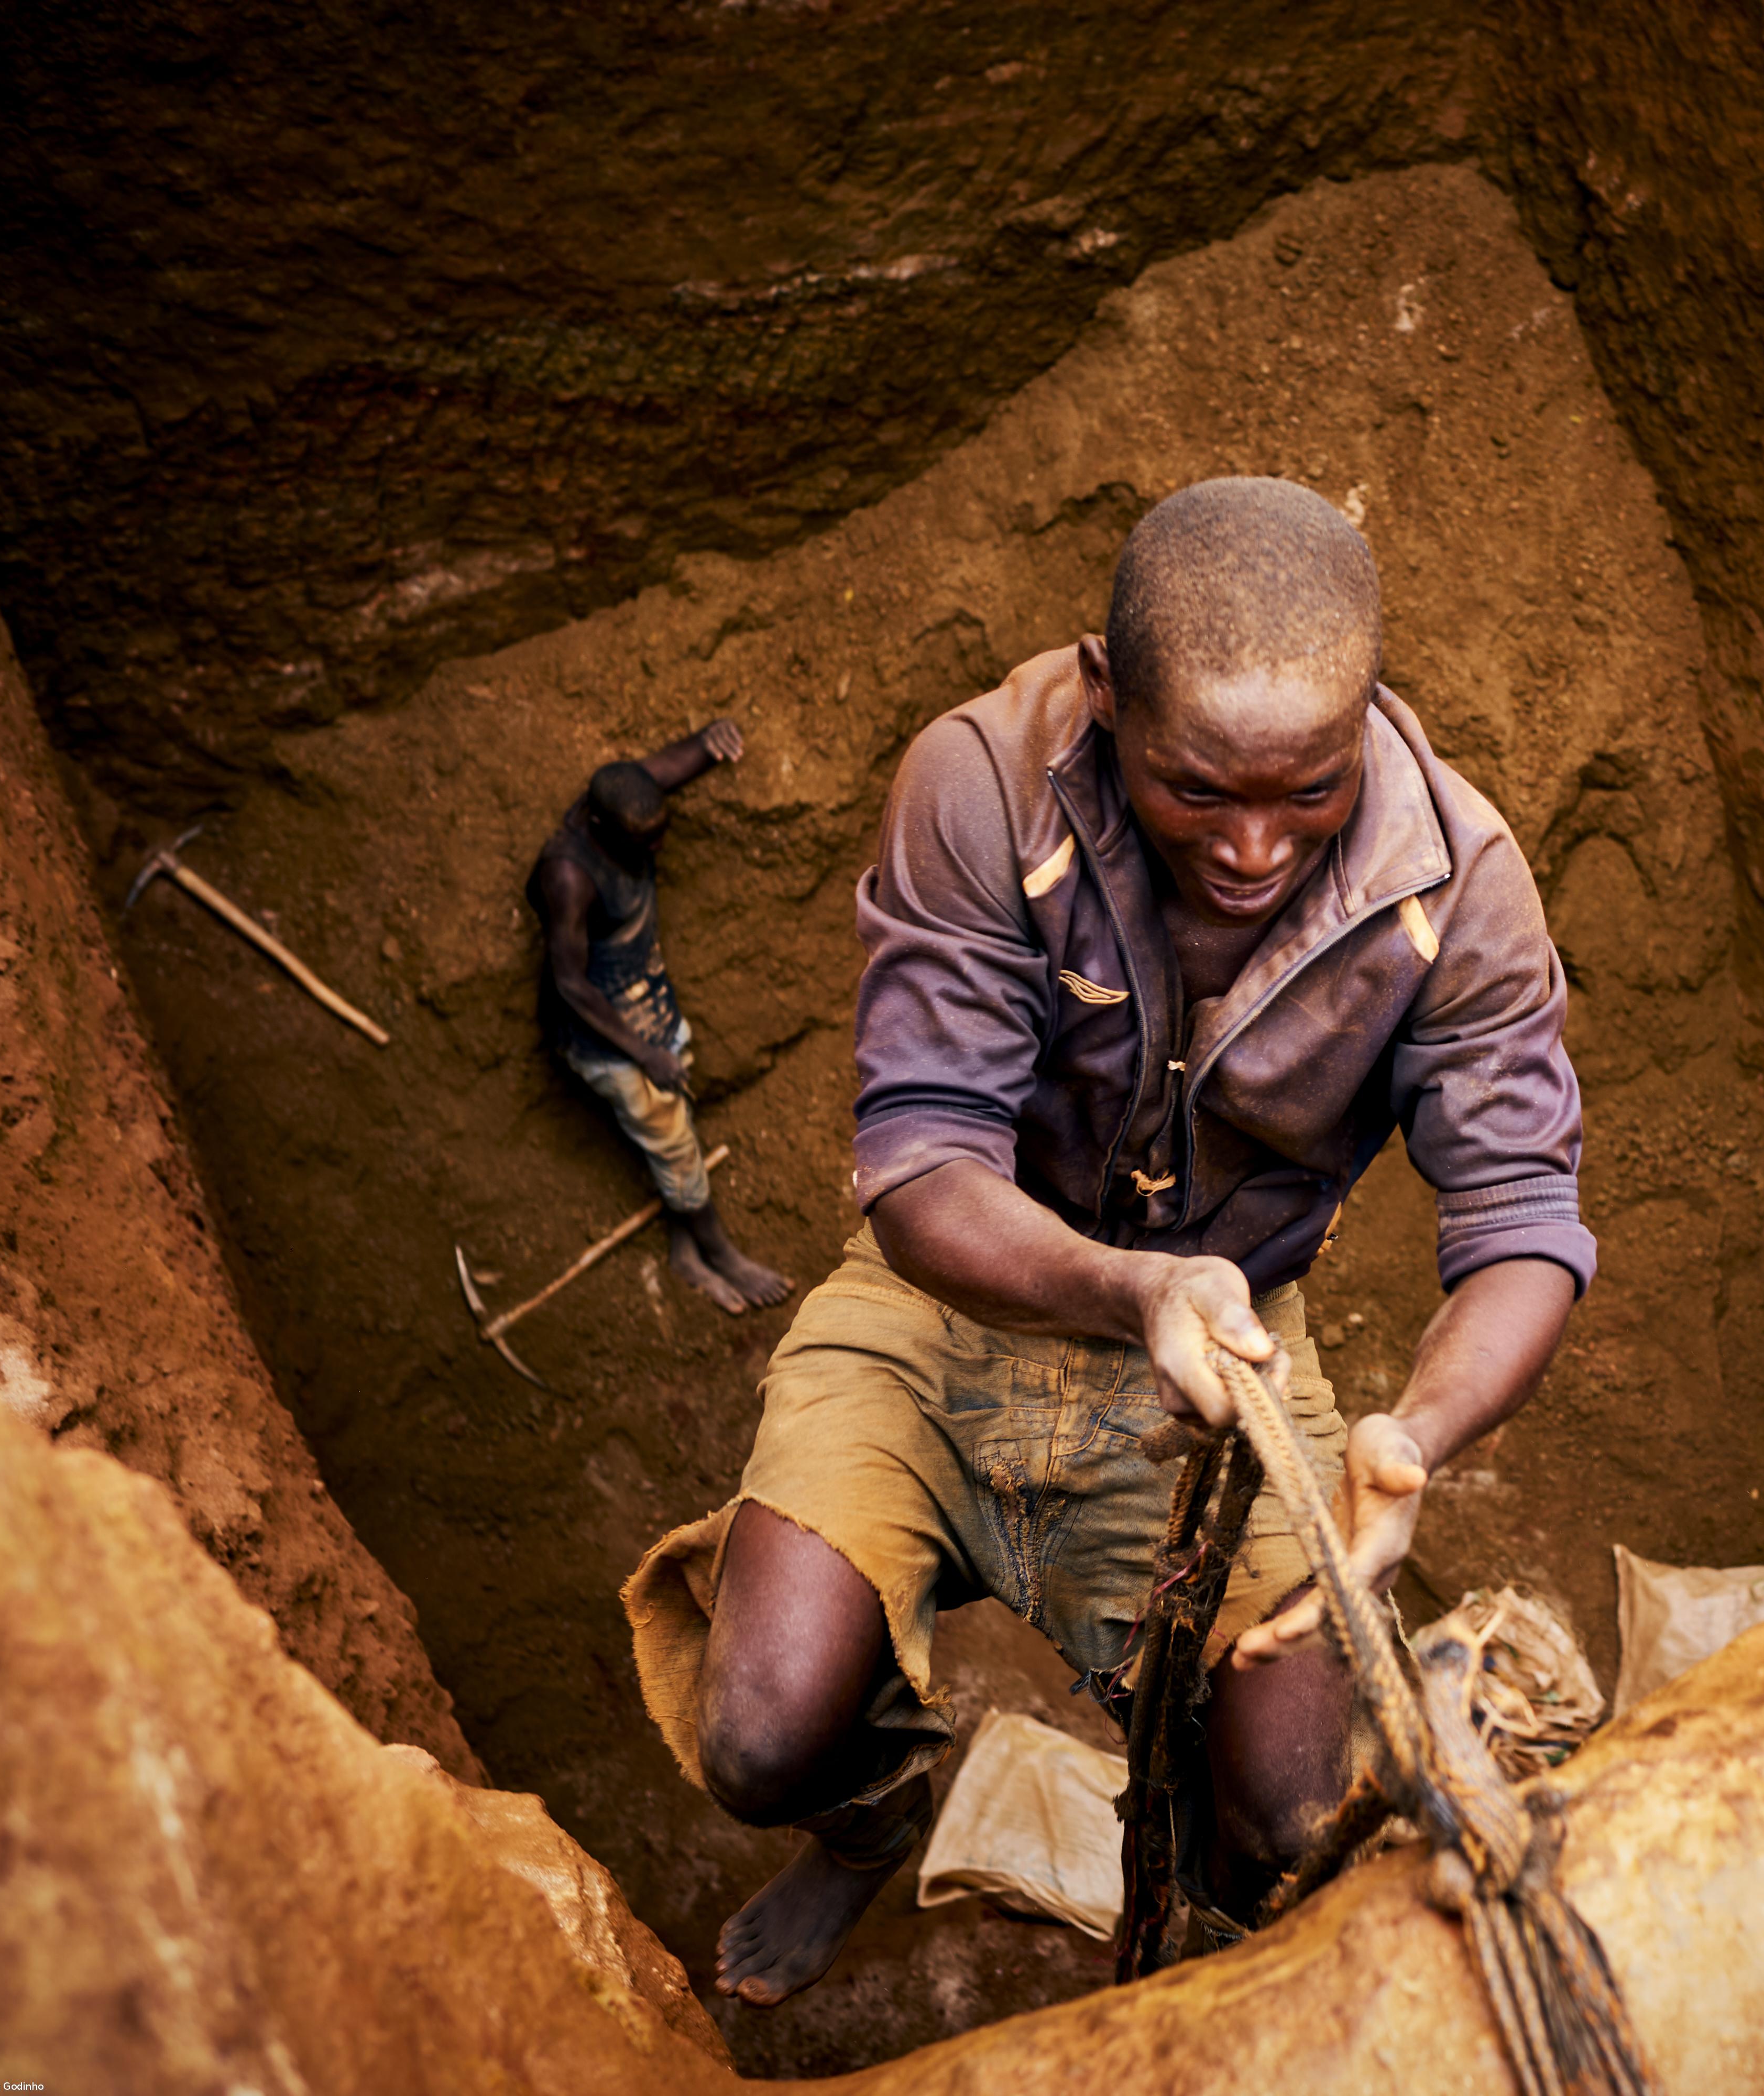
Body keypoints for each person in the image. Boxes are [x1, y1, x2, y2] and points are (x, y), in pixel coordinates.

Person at [622, 477, 1593, 2005]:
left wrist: (1410, 1433)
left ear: (1368, 721)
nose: (1256, 847)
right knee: (763, 1727)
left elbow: (1525, 1224)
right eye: (1197, 789)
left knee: (1285, 1819)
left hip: (1227, 1352)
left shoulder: (1455, 885)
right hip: (955, 1300)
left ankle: (1182, 1947)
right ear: (1106, 697)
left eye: (1309, 790)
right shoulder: (982, 781)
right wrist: (1124, 1283)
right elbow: (925, 1159)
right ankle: (869, 1821)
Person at [530, 722, 792, 1315]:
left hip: (646, 995)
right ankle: (717, 1252)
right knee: (672, 1138)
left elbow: (683, 759)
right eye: (643, 844)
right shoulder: (567, 875)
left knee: (678, 1100)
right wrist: (643, 1054)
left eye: (658, 837)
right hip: (601, 1031)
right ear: (600, 829)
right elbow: (570, 983)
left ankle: (682, 1241)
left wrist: (712, 741)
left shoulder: (629, 798)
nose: (656, 852)